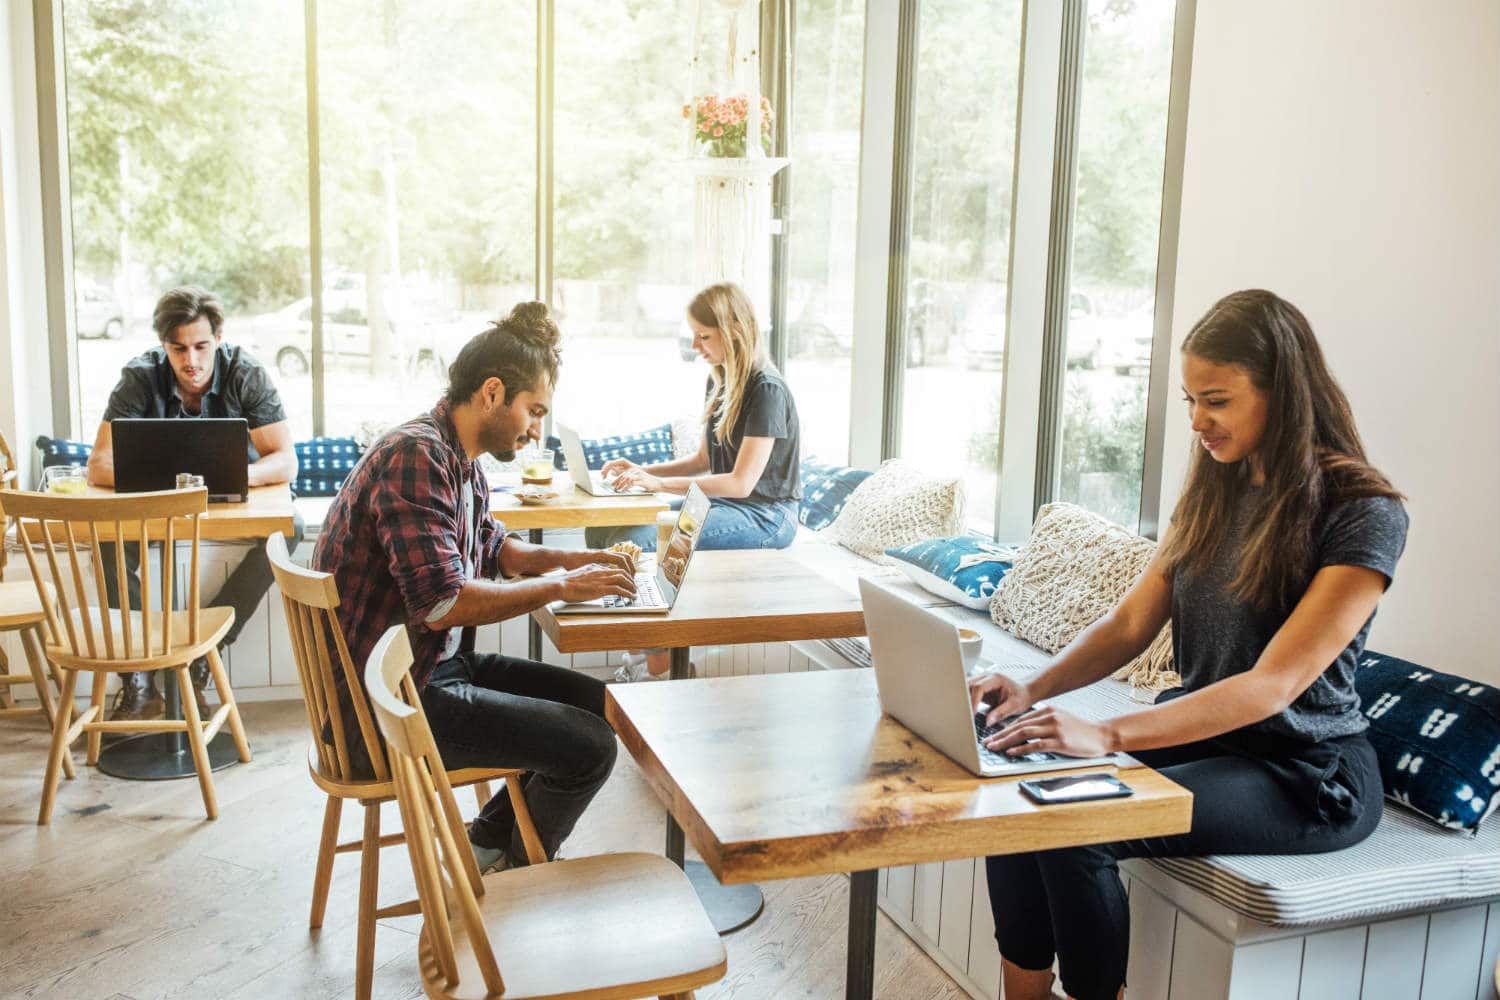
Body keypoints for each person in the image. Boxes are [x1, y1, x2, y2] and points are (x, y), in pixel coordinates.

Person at [971, 289, 1407, 1000]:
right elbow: (1129, 625)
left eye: (1218, 400)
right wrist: (1032, 689)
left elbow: (1273, 685)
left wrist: (1106, 732)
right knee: (1022, 788)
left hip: (1305, 771)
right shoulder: (1214, 489)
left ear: (1283, 394)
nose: (1199, 422)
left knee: (1081, 821)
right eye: (1189, 401)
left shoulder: (1363, 511)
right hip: (1214, 740)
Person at [313, 301, 635, 874]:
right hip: (386, 709)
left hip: (426, 671)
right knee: (589, 748)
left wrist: (580, 560)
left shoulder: (456, 457)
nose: (536, 430)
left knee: (603, 707)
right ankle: (512, 878)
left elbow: (496, 549)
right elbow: (442, 605)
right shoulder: (417, 456)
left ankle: (488, 843)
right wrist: (563, 586)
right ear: (492, 393)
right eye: (533, 411)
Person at [88, 286, 301, 722]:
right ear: (163, 345)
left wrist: (228, 479)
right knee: (108, 538)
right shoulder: (139, 376)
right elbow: (99, 465)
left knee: (290, 528)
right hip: (157, 504)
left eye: (202, 346)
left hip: (230, 499)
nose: (191, 361)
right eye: (178, 348)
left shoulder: (246, 372)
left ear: (218, 339)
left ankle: (208, 650)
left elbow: (285, 460)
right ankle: (138, 678)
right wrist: (177, 485)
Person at [585, 282, 802, 681]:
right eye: (694, 336)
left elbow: (740, 483)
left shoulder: (767, 390)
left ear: (734, 329)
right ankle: (643, 655)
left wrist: (656, 485)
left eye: (704, 336)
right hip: (724, 505)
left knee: (644, 541)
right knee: (607, 534)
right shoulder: (719, 379)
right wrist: (644, 470)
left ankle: (658, 669)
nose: (696, 346)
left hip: (767, 516)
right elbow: (703, 460)